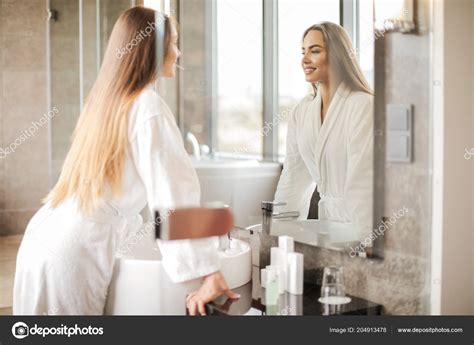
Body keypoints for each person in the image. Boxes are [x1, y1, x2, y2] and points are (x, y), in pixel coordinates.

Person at [13, 6, 238, 316]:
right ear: (153, 50)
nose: (179, 51)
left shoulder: (106, 100)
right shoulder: (148, 106)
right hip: (76, 251)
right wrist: (209, 272)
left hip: (44, 238)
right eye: (173, 43)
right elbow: (173, 199)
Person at [274, 22, 374, 241]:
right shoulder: (302, 111)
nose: (305, 59)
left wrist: (365, 242)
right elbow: (293, 178)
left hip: (357, 225)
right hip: (325, 225)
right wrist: (279, 236)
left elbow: (363, 182)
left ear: (338, 56)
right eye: (303, 52)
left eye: (315, 51)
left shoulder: (362, 105)